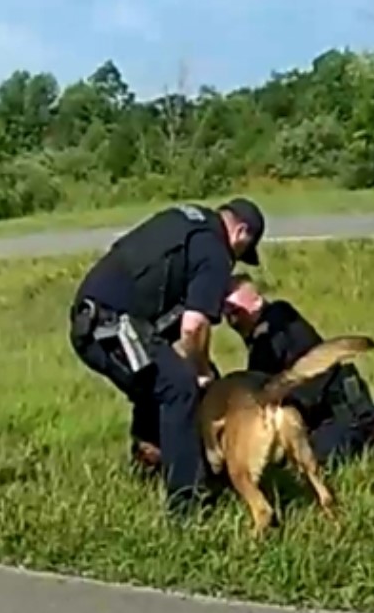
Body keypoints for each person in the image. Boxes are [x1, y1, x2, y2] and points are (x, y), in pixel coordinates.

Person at [67, 198, 266, 512]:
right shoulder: (216, 251)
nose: (236, 260)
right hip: (111, 326)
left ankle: (150, 461)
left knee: (158, 380)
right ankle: (186, 506)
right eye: (242, 252)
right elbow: (193, 326)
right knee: (181, 388)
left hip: (95, 317)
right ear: (241, 233)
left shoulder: (187, 219)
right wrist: (201, 370)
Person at [218, 277, 374, 467]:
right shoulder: (270, 326)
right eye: (226, 311)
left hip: (336, 407)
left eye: (235, 310)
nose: (230, 317)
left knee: (331, 452)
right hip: (325, 406)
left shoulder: (273, 327)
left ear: (256, 302)